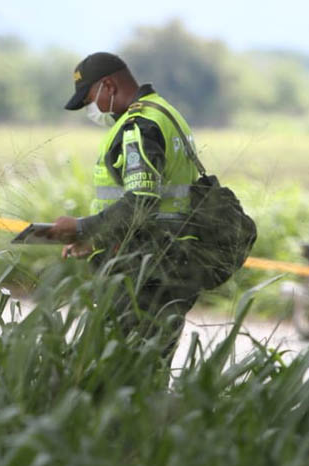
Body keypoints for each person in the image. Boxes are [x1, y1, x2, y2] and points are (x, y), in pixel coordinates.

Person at [40, 52, 206, 358]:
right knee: (150, 369)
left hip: (142, 274)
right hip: (173, 265)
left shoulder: (138, 127)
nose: (92, 110)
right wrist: (95, 239)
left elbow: (140, 202)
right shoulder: (166, 113)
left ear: (109, 86)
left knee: (122, 369)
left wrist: (81, 228)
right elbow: (158, 204)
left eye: (90, 100)